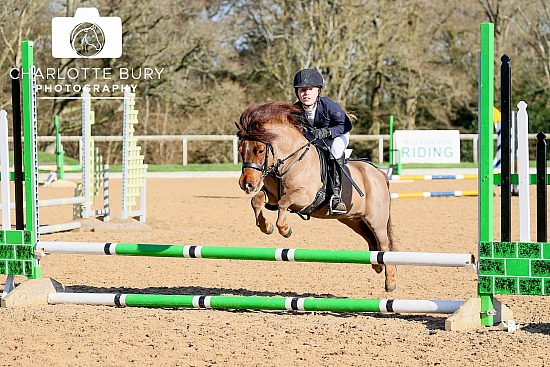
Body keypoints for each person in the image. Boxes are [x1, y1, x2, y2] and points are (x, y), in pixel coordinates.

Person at [293, 68, 352, 215]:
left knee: (336, 150)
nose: (306, 93)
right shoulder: (295, 110)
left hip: (337, 136)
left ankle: (336, 196)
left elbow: (346, 125)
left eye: (310, 89)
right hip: (314, 139)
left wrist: (328, 132)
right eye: (302, 90)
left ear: (318, 90)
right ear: (297, 93)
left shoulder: (328, 105)